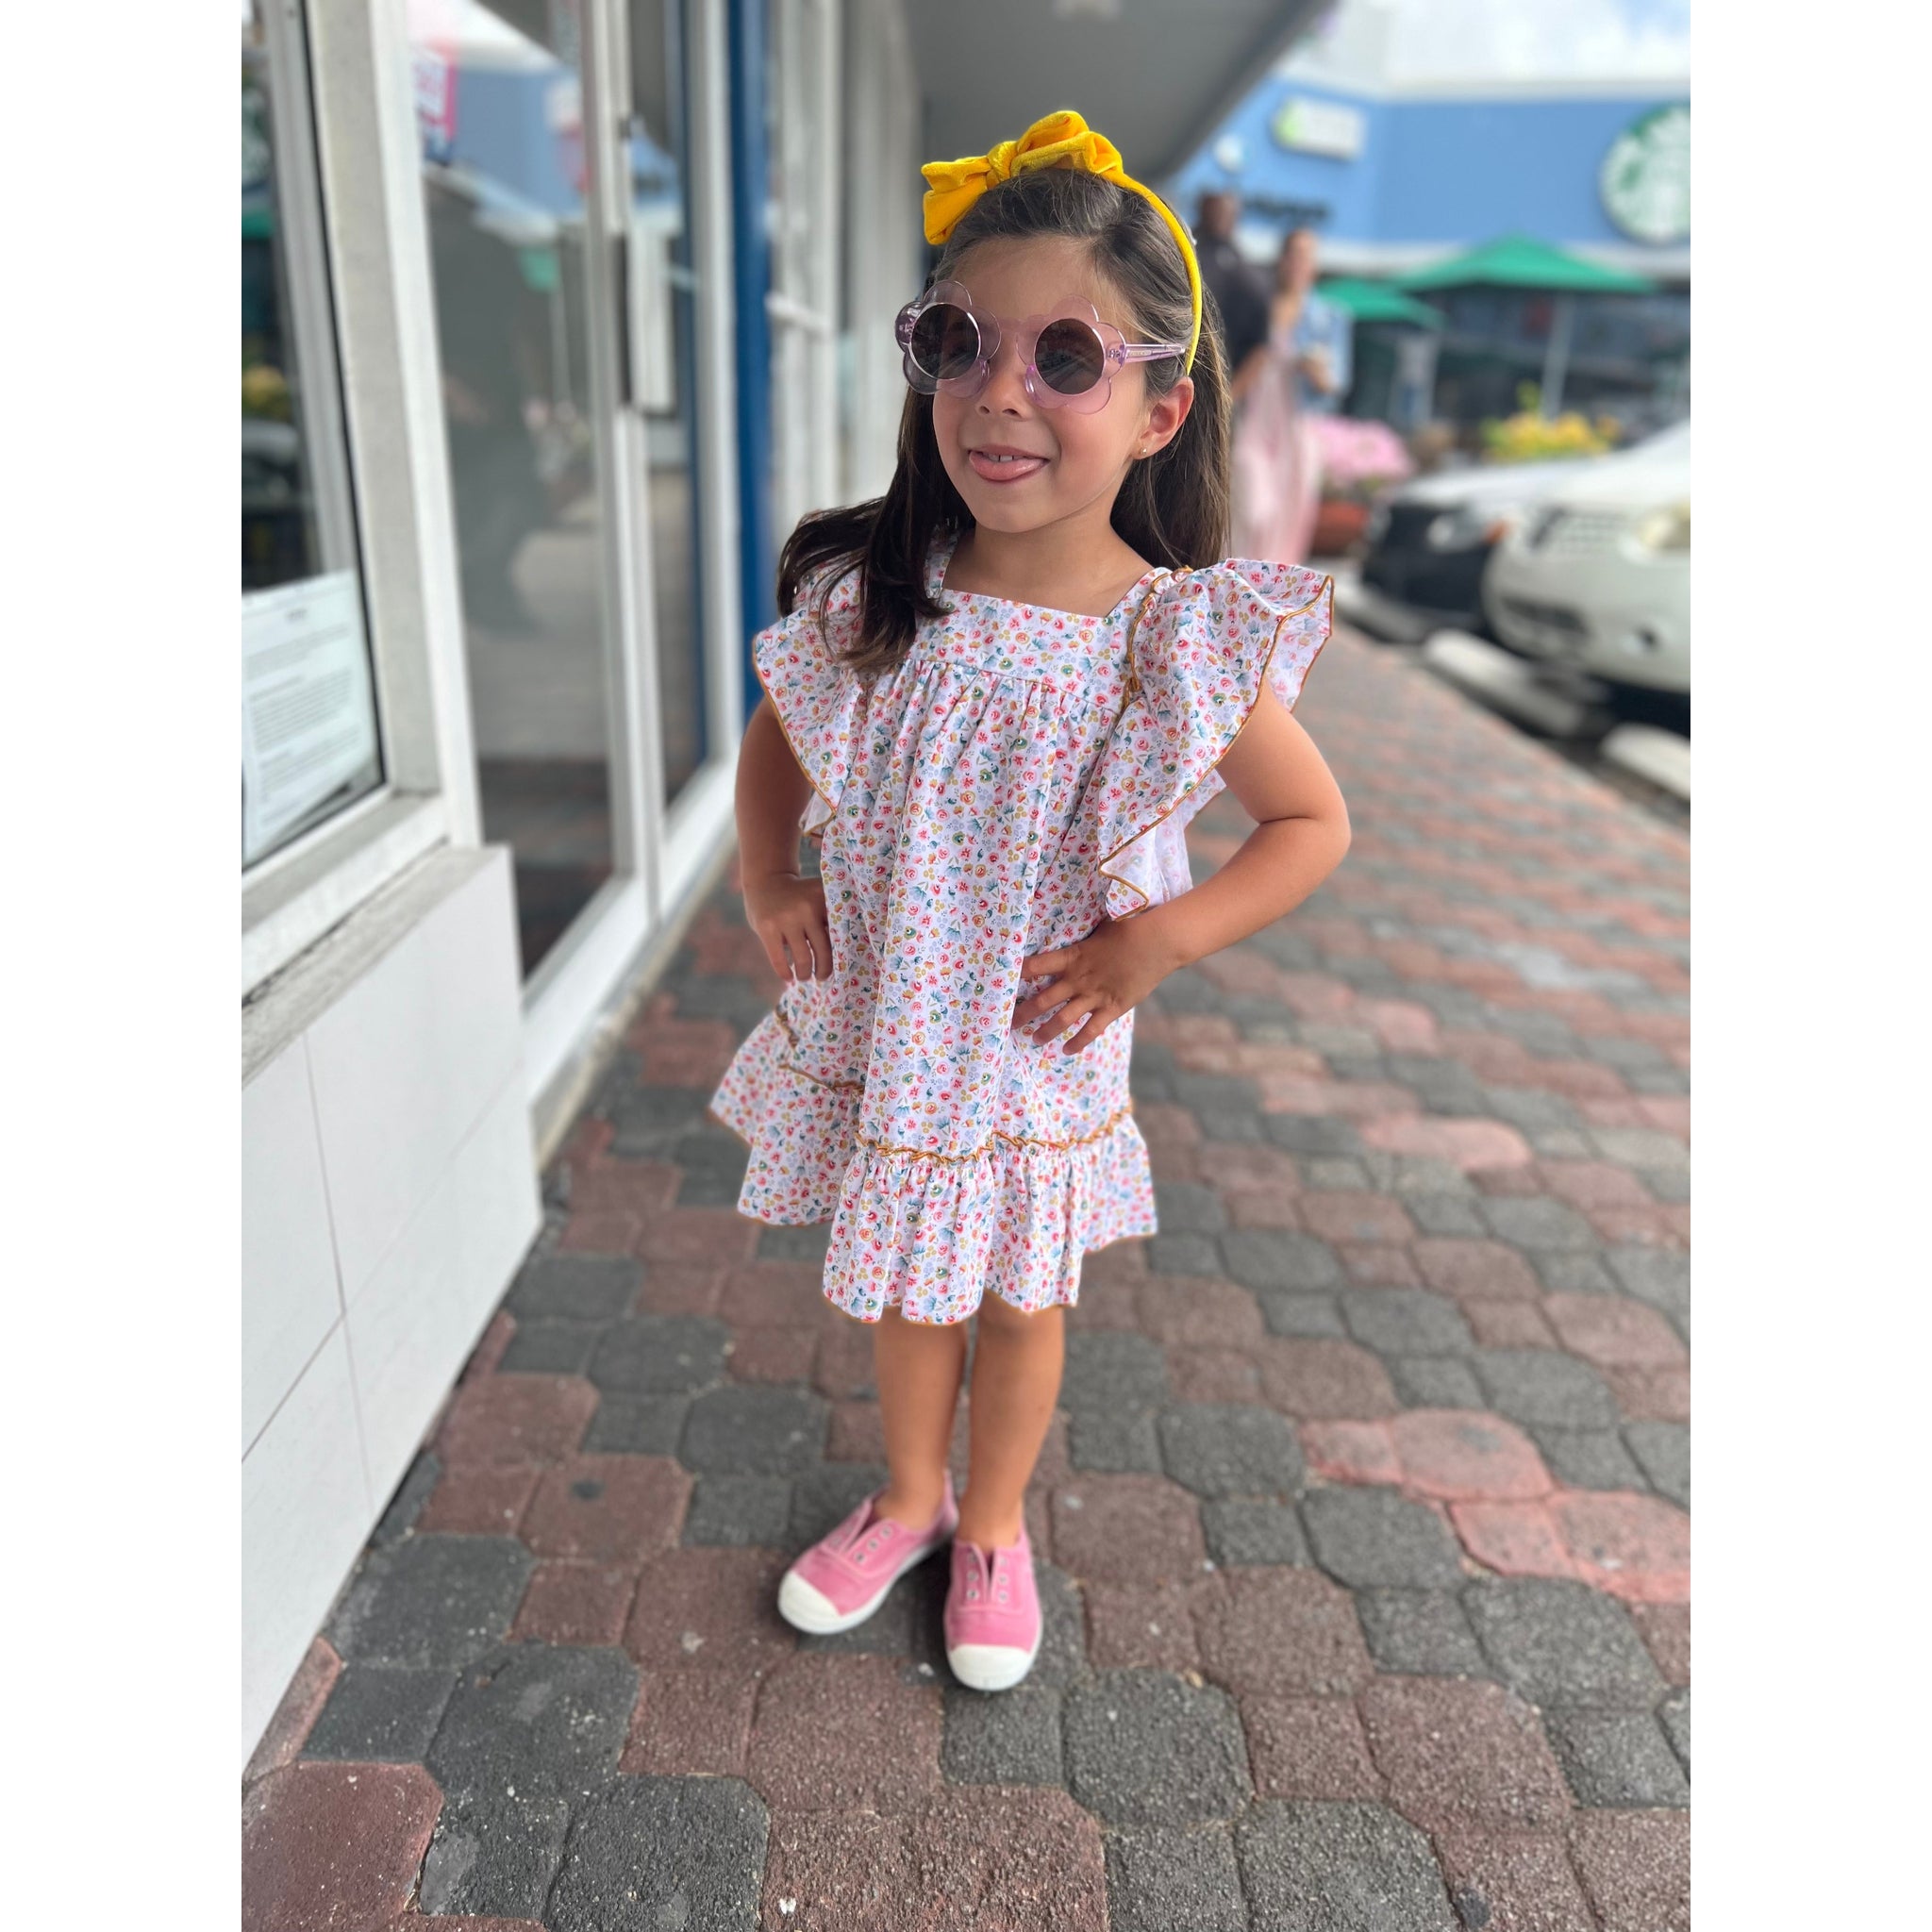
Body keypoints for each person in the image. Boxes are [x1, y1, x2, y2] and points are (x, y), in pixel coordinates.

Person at [708, 111, 1351, 1694]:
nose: (1000, 392)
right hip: (900, 1024)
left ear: (1157, 411)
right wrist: (766, 870)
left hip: (1041, 1036)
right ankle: (907, 1499)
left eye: (1067, 359)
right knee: (909, 1286)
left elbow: (1308, 824)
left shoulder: (1167, 638)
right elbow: (778, 738)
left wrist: (1154, 942)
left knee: (1018, 1294)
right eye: (960, 344)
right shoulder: (878, 599)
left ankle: (992, 1523)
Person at [1230, 226, 1354, 564]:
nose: (1298, 263)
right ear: (1281, 260)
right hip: (1254, 421)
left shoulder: (1329, 317)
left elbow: (1337, 382)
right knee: (1252, 507)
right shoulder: (1259, 307)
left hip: (1298, 425)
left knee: (1291, 515)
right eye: (1293, 254)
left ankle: (1273, 585)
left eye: (1306, 256)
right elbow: (1245, 360)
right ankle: (1241, 575)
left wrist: (1314, 370)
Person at [1195, 188, 1272, 381]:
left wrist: (1232, 392)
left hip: (1219, 374)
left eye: (1225, 212)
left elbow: (1259, 348)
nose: (1219, 217)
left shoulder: (1246, 272)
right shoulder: (1184, 255)